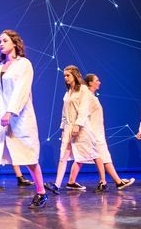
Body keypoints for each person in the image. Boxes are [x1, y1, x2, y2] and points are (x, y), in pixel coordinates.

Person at [0, 30, 47, 213]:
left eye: (4, 40)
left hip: (19, 118)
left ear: (14, 42)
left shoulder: (24, 65)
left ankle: (41, 192)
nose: (1, 44)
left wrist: (10, 112)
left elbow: (22, 90)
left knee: (28, 157)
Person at [44, 66, 107, 194]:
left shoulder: (83, 89)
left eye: (68, 75)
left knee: (94, 153)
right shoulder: (68, 92)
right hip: (68, 127)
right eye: (64, 76)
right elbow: (64, 112)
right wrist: (63, 127)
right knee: (64, 156)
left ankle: (103, 181)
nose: (66, 78)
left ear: (75, 75)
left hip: (82, 127)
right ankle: (57, 184)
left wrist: (78, 125)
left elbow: (84, 108)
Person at [83, 73, 135, 190]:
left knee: (104, 157)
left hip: (98, 133)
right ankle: (108, 181)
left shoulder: (92, 96)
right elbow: (83, 115)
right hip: (94, 133)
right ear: (90, 83)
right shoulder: (88, 97)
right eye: (97, 80)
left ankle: (115, 181)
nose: (99, 82)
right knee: (101, 157)